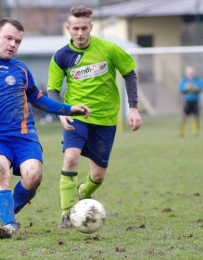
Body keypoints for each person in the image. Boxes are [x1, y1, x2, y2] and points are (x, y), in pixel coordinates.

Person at [0, 17, 90, 239]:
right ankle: (9, 226)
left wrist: (69, 109)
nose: (13, 44)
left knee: (33, 176)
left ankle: (6, 211)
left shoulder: (21, 69)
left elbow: (39, 99)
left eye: (17, 41)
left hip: (25, 136)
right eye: (8, 38)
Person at [47, 5, 142, 228]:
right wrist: (61, 112)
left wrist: (134, 108)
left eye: (84, 28)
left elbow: (129, 74)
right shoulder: (61, 56)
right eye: (75, 28)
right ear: (68, 28)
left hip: (106, 119)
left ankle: (82, 193)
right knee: (70, 158)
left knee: (98, 176)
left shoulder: (108, 49)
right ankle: (66, 214)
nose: (80, 33)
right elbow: (52, 89)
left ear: (91, 27)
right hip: (76, 116)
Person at [178, 66, 203, 137]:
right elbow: (180, 89)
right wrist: (186, 88)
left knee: (196, 117)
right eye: (189, 72)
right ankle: (182, 132)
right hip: (187, 101)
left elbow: (201, 87)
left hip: (195, 101)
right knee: (185, 116)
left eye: (192, 72)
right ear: (187, 72)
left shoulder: (197, 79)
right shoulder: (184, 80)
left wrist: (195, 88)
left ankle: (195, 133)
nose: (191, 73)